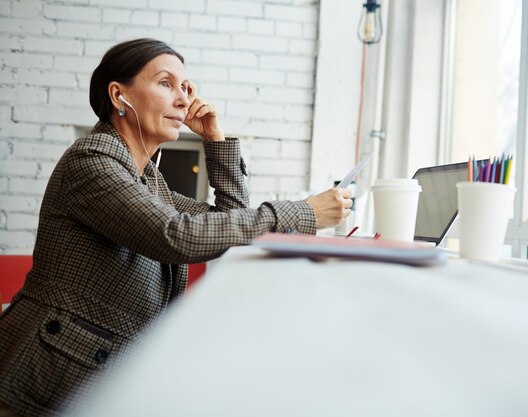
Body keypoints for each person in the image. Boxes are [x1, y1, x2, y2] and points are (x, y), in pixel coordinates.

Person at [0, 38, 352, 417]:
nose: (183, 99)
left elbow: (224, 220)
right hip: (44, 377)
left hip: (94, 371)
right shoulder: (92, 161)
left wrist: (215, 140)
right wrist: (303, 212)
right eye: (166, 83)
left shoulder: (147, 179)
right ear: (119, 95)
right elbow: (176, 235)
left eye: (186, 88)